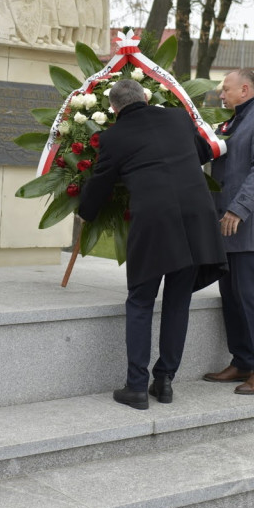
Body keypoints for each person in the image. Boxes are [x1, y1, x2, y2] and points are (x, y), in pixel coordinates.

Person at [78, 79, 226, 410]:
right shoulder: (178, 118)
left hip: (155, 224)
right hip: (196, 220)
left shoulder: (113, 136)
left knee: (141, 302)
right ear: (145, 97)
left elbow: (101, 181)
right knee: (177, 301)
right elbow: (201, 151)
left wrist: (86, 213)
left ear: (114, 109)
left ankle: (136, 387)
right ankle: (165, 381)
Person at [204, 68, 254, 395]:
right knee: (232, 296)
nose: (221, 95)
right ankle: (242, 360)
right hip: (225, 227)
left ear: (245, 89)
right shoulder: (230, 123)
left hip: (248, 225)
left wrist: (238, 208)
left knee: (250, 296)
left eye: (226, 89)